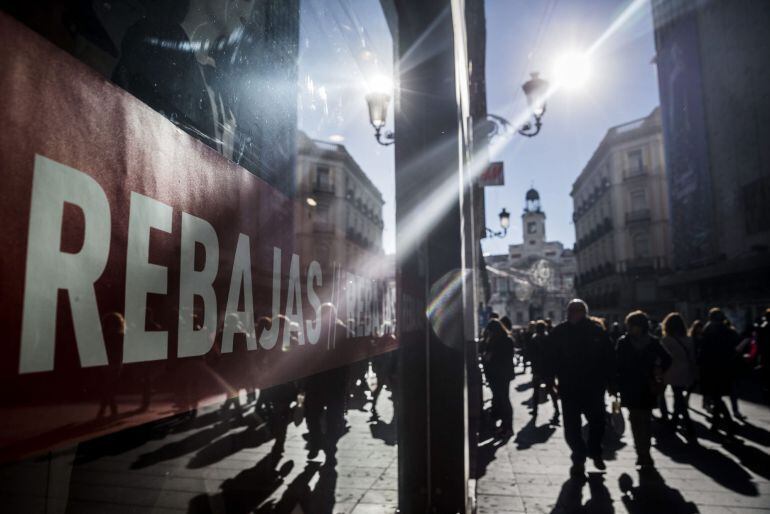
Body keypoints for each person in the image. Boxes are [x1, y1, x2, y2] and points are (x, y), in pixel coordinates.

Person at [548, 299, 615, 477]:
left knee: (597, 422)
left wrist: (611, 383)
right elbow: (550, 358)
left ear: (583, 312)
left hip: (593, 386)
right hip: (570, 387)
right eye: (571, 311)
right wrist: (550, 380)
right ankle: (579, 457)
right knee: (572, 427)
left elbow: (608, 358)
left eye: (576, 311)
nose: (572, 314)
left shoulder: (597, 331)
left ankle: (594, 450)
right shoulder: (560, 332)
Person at [615, 310, 672, 468]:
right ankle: (642, 452)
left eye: (631, 325)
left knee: (644, 420)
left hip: (645, 386)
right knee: (636, 419)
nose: (629, 328)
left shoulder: (649, 342)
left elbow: (667, 359)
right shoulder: (625, 342)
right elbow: (617, 364)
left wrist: (658, 369)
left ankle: (644, 452)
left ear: (640, 326)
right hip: (632, 386)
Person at [699, 308, 740, 437]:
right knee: (717, 396)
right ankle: (716, 425)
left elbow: (704, 351)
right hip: (725, 368)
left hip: (711, 368)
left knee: (715, 397)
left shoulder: (709, 330)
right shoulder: (728, 331)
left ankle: (728, 423)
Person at [660, 312, 697, 442]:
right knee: (679, 397)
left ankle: (677, 422)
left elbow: (662, 358)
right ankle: (678, 422)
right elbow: (692, 358)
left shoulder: (666, 340)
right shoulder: (689, 340)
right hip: (684, 371)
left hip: (669, 371)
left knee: (666, 396)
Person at [483, 319, 515, 438]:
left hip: (497, 375)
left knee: (502, 400)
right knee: (503, 400)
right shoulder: (507, 340)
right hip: (504, 375)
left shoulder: (494, 342)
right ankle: (506, 426)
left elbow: (488, 358)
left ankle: (507, 427)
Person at [529, 320, 560, 423]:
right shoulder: (549, 339)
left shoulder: (534, 339)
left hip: (538, 369)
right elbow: (554, 355)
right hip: (548, 369)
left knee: (536, 391)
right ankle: (557, 410)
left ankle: (535, 410)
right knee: (551, 390)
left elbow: (531, 356)